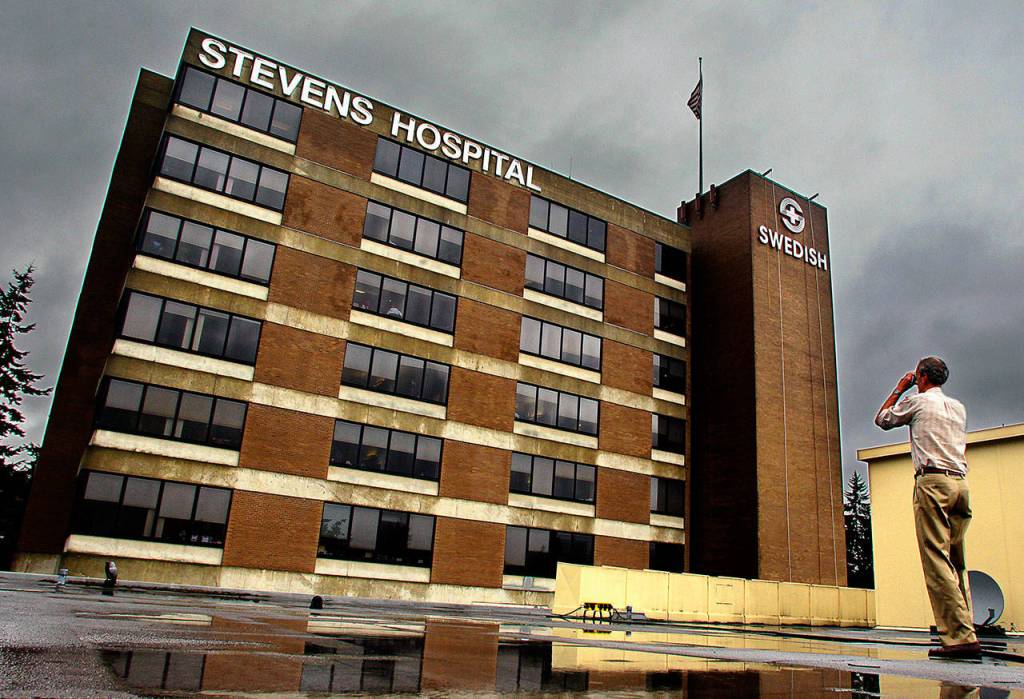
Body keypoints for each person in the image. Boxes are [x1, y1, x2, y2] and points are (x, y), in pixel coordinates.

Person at [875, 356, 980, 659]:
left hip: (933, 482)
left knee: (936, 559)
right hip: (960, 483)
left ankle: (959, 638)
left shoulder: (918, 403)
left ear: (921, 376)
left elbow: (882, 419)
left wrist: (900, 388)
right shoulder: (958, 407)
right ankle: (966, 629)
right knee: (956, 561)